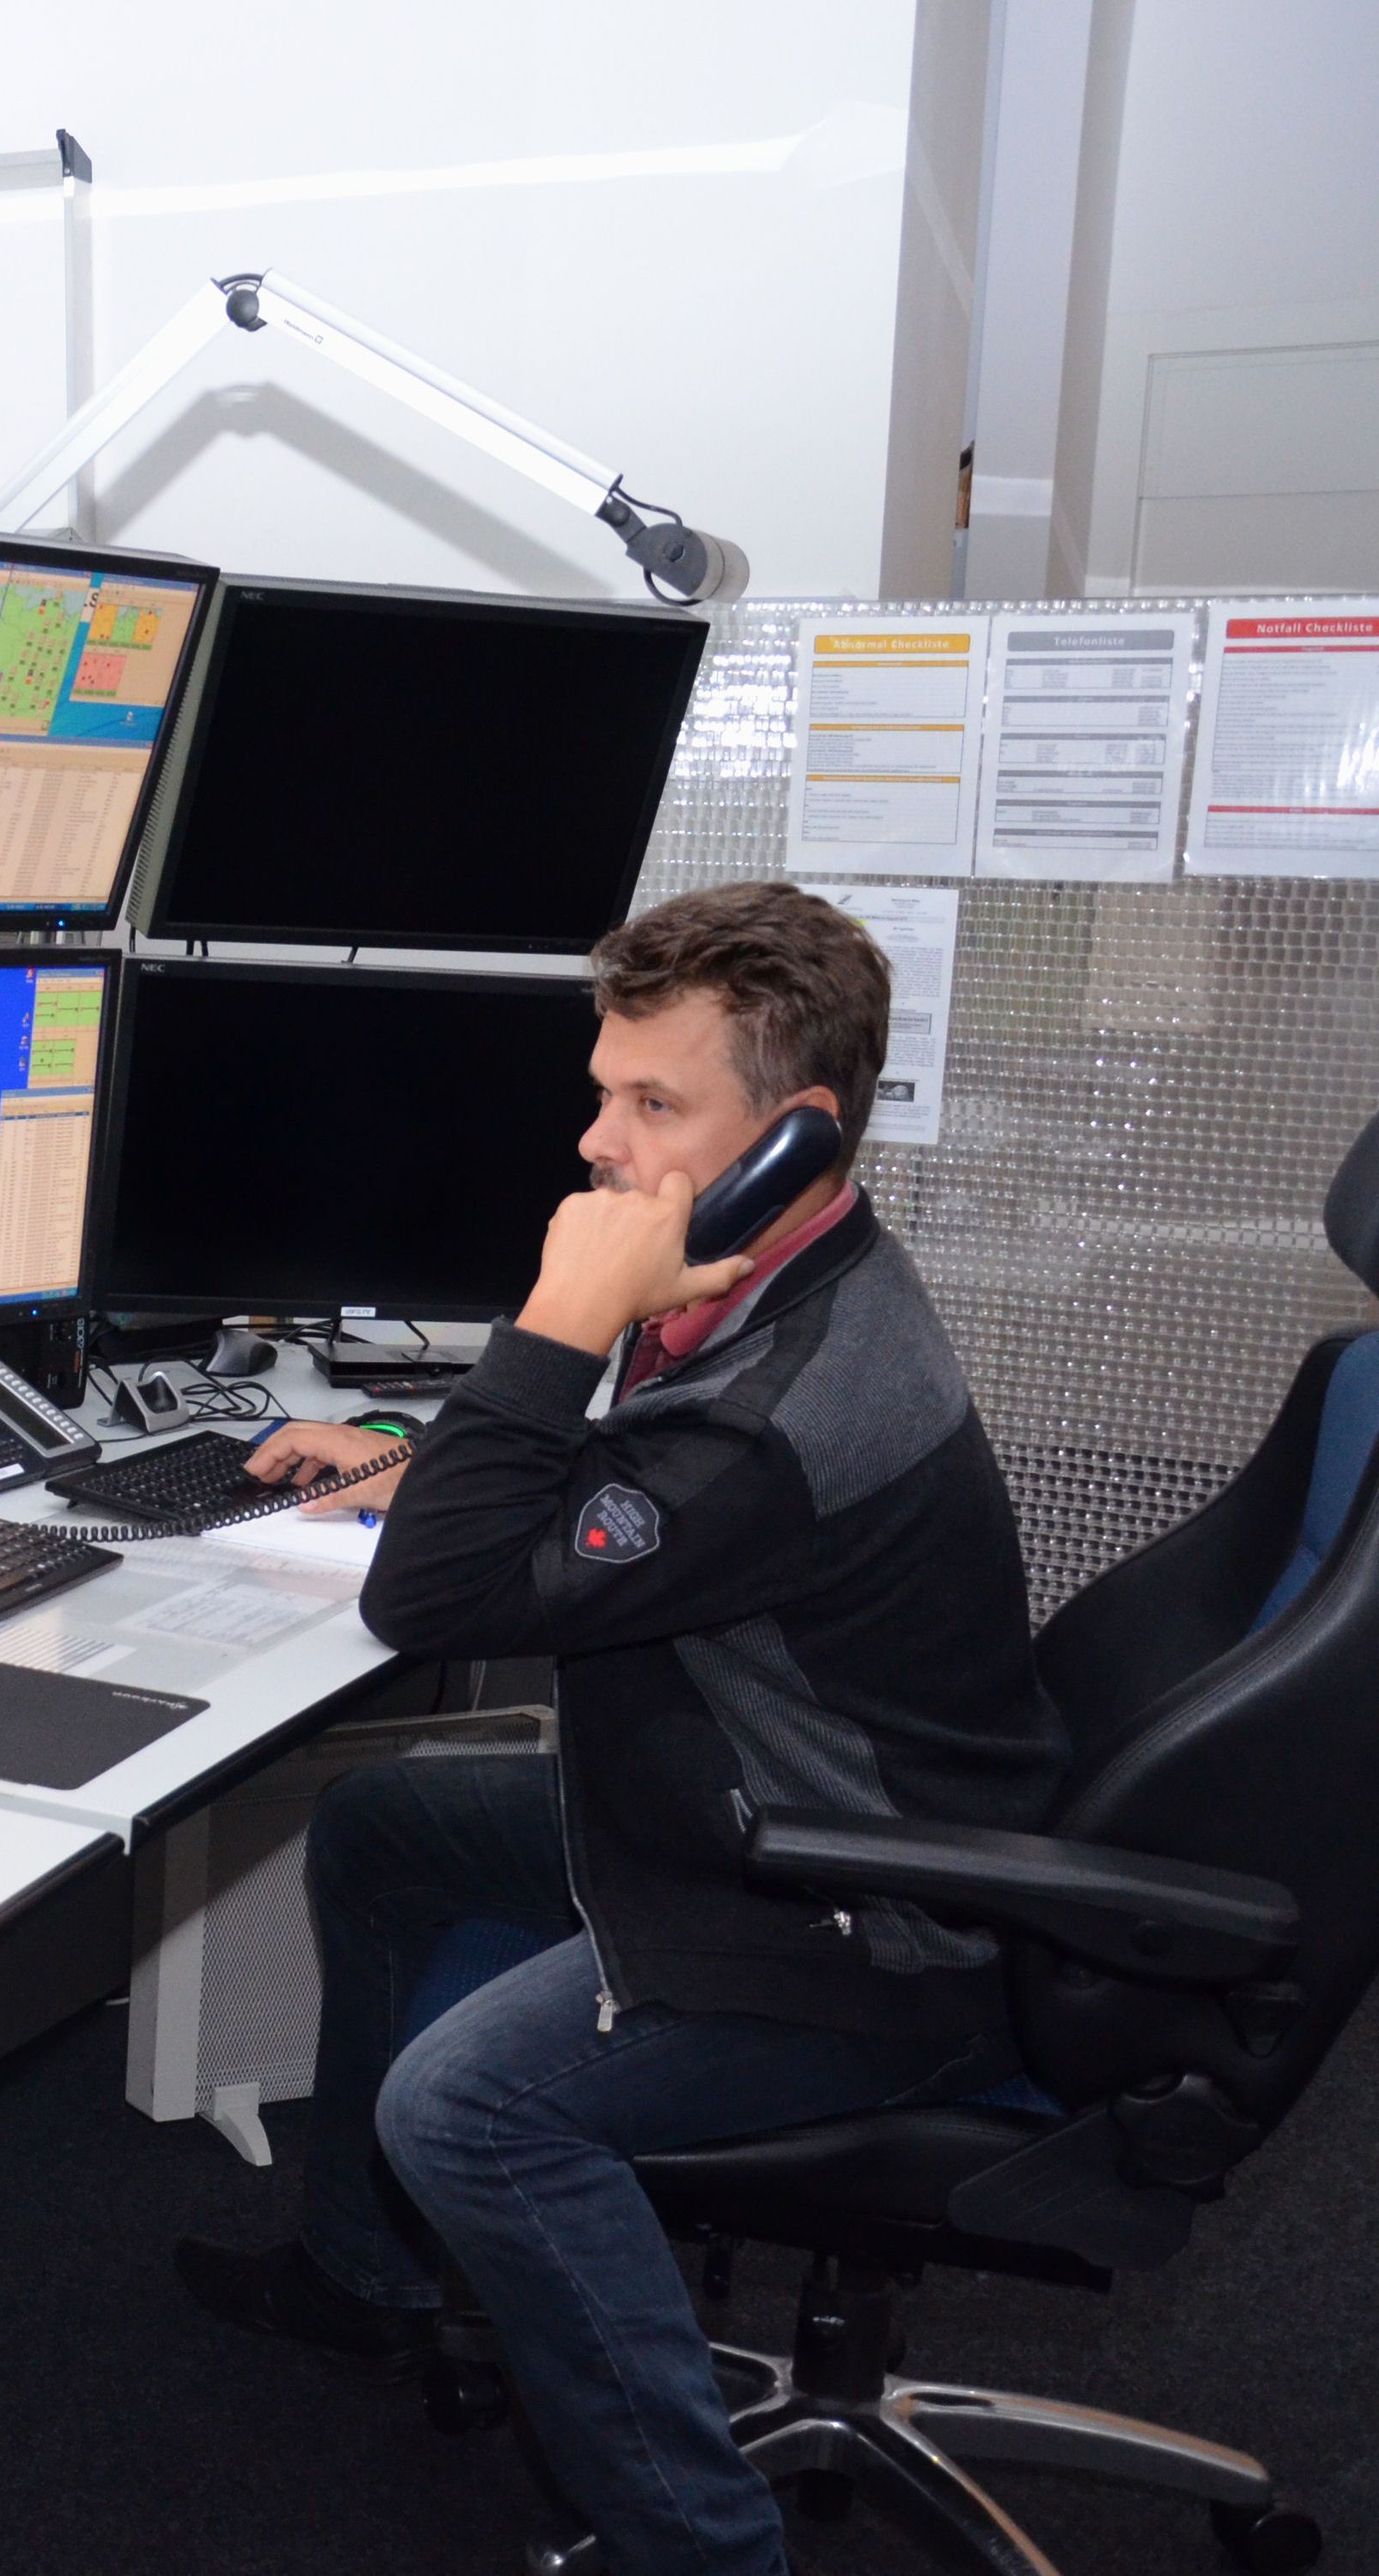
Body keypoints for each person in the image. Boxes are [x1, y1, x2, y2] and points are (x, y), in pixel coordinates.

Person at [172, 882, 1065, 2576]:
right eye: (602, 1090)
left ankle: (707, 2547)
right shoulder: (777, 1279)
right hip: (753, 1815)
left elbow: (434, 1602)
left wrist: (554, 1314)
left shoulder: (790, 1404)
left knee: (468, 2111)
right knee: (385, 1828)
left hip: (870, 1924)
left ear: (793, 1133)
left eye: (654, 1103)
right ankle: (364, 2275)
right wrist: (425, 1457)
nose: (596, 1141)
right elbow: (620, 1490)